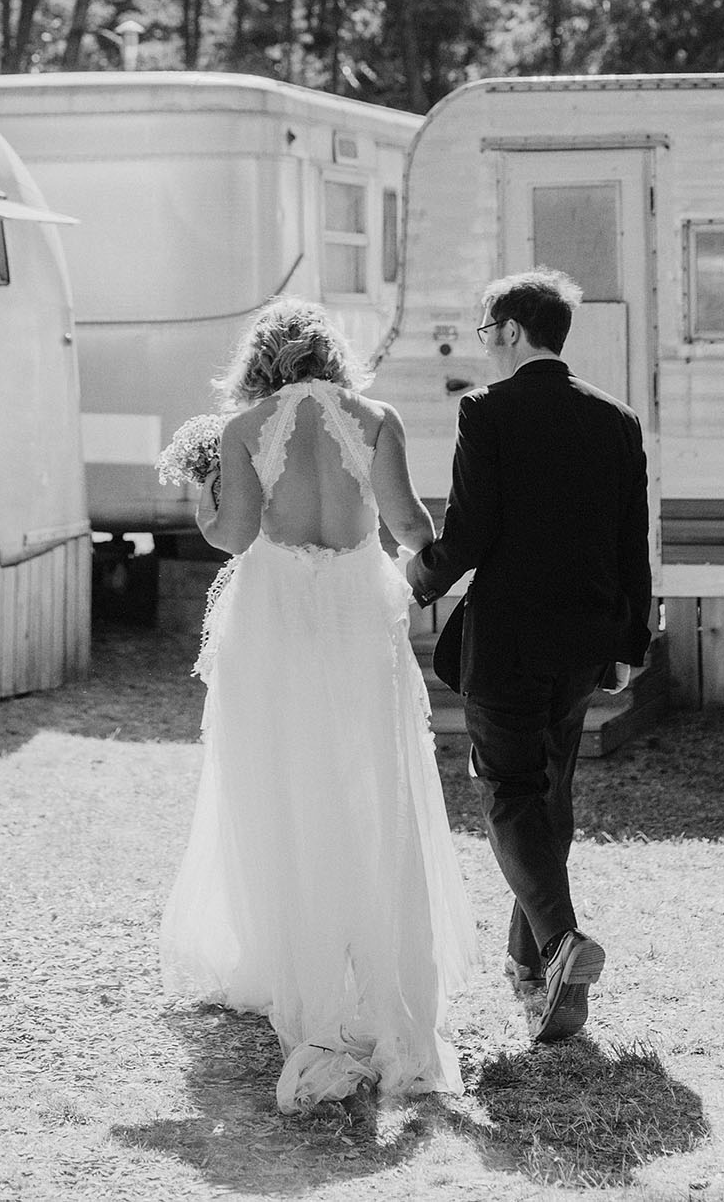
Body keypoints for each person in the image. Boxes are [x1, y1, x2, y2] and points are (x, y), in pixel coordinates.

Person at [159, 298, 476, 1112]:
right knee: (374, 790)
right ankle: (386, 998)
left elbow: (234, 537)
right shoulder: (377, 419)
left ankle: (312, 999)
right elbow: (408, 526)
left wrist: (205, 499)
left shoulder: (245, 427)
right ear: (333, 357)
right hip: (356, 622)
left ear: (260, 364)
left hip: (275, 625)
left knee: (286, 790)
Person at [406, 267, 652, 1045]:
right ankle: (528, 963)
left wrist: (420, 577)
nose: (485, 348)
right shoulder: (617, 418)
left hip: (509, 640)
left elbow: (470, 534)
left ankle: (558, 943)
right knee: (550, 789)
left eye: (486, 331)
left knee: (507, 787)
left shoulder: (488, 411)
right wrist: (630, 640)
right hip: (583, 643)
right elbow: (629, 542)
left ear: (511, 329)